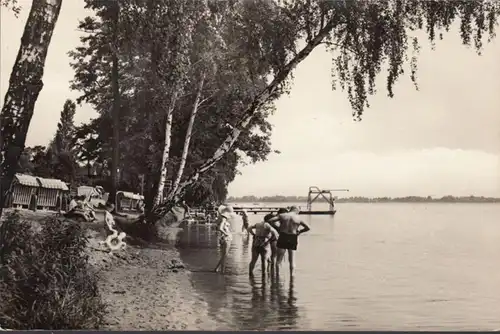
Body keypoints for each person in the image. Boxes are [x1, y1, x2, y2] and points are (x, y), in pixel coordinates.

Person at [267, 205, 310, 275]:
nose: (298, 213)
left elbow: (270, 221)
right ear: (296, 210)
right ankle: (292, 278)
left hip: (283, 235)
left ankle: (277, 277)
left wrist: (278, 228)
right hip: (293, 237)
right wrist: (299, 232)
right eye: (298, 211)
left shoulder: (282, 215)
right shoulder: (298, 218)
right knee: (292, 260)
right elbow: (308, 227)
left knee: (278, 260)